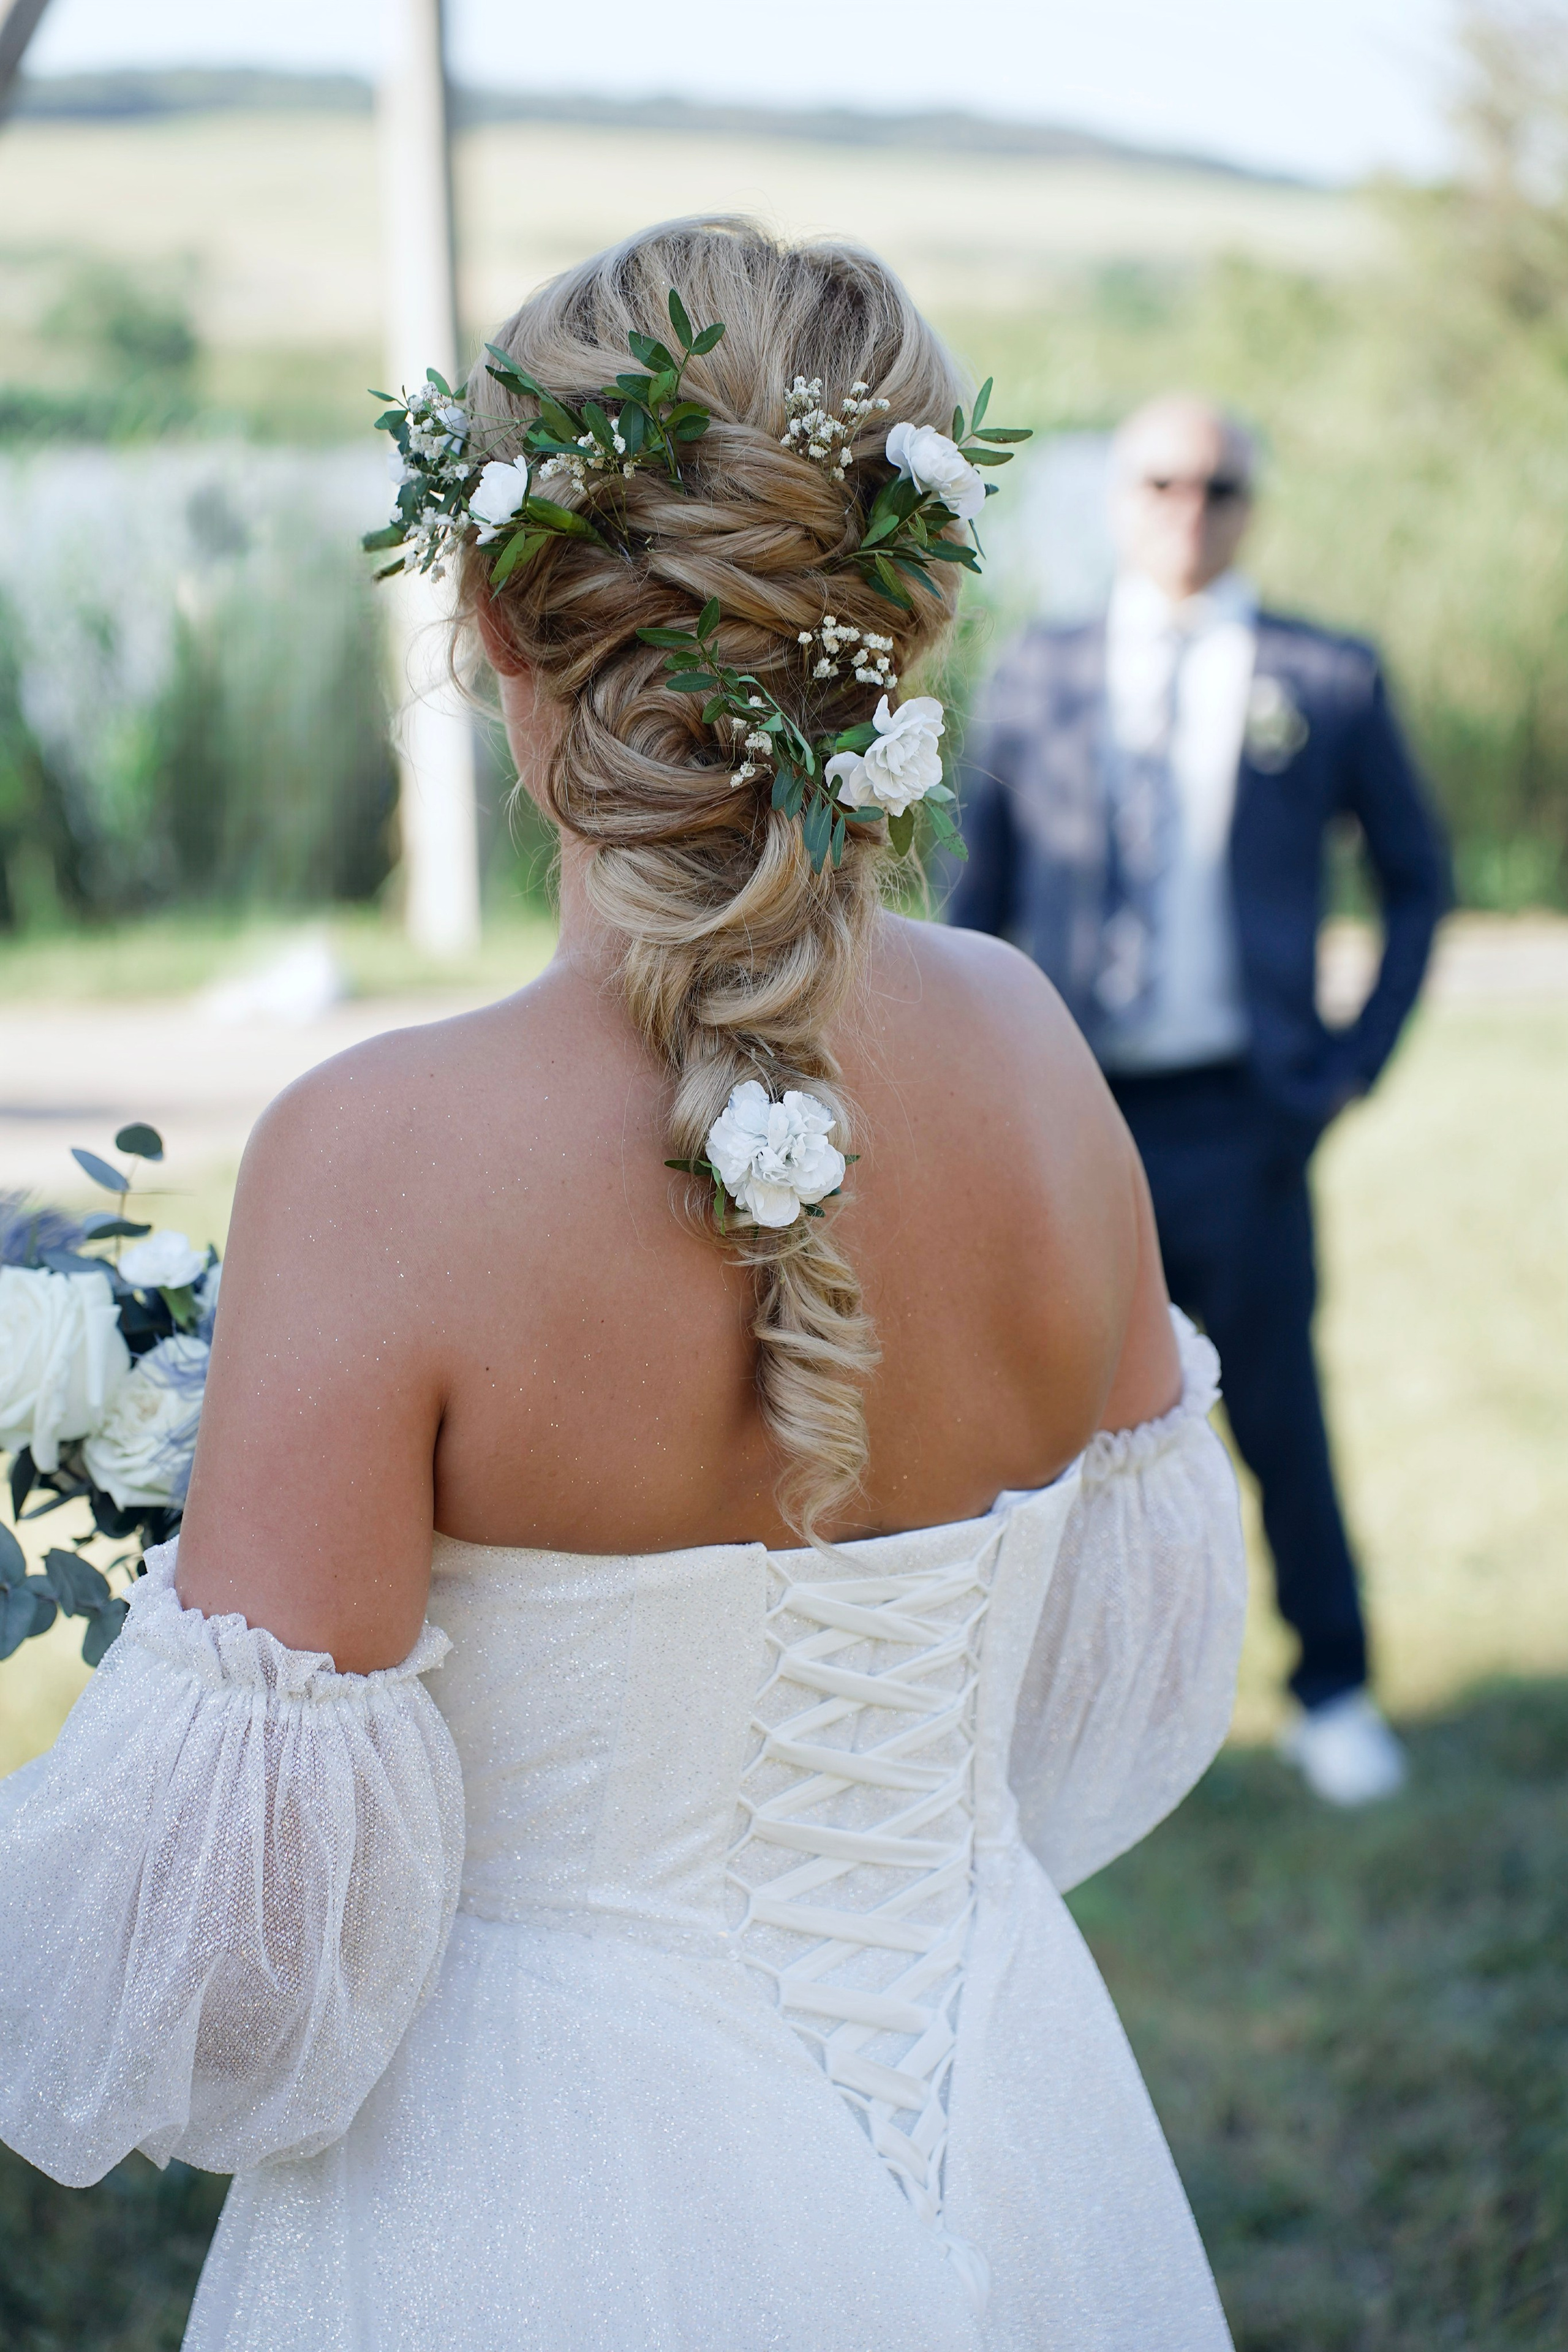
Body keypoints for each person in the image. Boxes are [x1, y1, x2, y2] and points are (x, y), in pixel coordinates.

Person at [0, 225, 1246, 2351]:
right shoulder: (1039, 1059)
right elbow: (1113, 1704)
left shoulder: (382, 1156)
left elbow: (221, 1992)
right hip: (1012, 2115)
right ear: (906, 607)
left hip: (532, 2184)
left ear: (488, 600)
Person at [949, 394, 1449, 1807]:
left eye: (1217, 486)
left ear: (1248, 504)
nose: (1188, 508)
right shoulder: (1038, 673)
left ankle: (1335, 1689)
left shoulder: (1321, 676)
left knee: (1277, 1404)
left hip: (1245, 1109)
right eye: (1160, 481)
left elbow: (1417, 881)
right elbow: (974, 904)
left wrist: (1342, 1069)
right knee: (1031, 1419)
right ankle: (1027, 1713)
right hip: (1068, 1110)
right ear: (1117, 495)